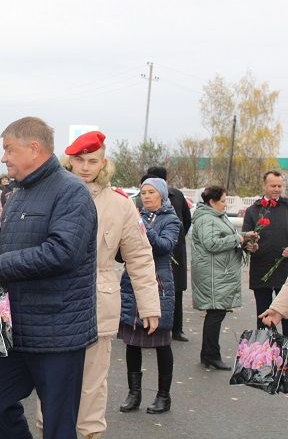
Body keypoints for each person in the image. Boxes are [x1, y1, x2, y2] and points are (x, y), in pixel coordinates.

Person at [0, 117, 98, 439]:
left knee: (57, 424)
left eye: (8, 149)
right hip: (15, 329)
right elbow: (10, 246)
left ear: (34, 148)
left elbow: (62, 253)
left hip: (58, 331)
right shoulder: (18, 194)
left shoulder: (71, 193)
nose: (3, 158)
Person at [47, 131, 160, 439]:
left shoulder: (121, 205)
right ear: (68, 162)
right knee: (53, 381)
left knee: (93, 384)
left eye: (92, 161)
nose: (85, 167)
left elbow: (139, 256)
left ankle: (88, 434)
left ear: (103, 163)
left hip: (99, 302)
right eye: (79, 160)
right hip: (54, 303)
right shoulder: (51, 194)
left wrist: (149, 305)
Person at [118, 178, 180, 415]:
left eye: (151, 192)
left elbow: (164, 246)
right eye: (143, 192)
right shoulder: (136, 216)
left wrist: (141, 224)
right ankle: (134, 394)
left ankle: (164, 396)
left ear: (162, 195)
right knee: (131, 340)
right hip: (131, 283)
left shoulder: (171, 220)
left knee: (162, 343)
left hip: (159, 285)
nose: (146, 196)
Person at [191, 185, 257, 371]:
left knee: (215, 312)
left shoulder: (214, 217)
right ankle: (212, 355)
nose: (225, 205)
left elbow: (224, 238)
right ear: (212, 202)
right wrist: (239, 239)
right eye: (222, 201)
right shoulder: (207, 219)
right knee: (216, 312)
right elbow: (211, 244)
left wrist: (243, 237)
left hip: (217, 272)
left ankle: (208, 354)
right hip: (213, 274)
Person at [146, 166, 192, 342]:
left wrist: (176, 237)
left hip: (175, 250)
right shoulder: (143, 199)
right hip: (152, 252)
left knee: (176, 289)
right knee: (153, 288)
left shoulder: (177, 196)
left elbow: (186, 220)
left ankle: (177, 328)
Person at [242, 170, 288, 335]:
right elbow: (244, 238)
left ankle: (286, 354)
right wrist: (249, 246)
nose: (277, 189)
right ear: (264, 185)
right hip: (261, 270)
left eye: (279, 186)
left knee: (287, 314)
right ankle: (265, 355)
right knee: (264, 316)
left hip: (285, 271)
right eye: (273, 185)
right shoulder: (253, 210)